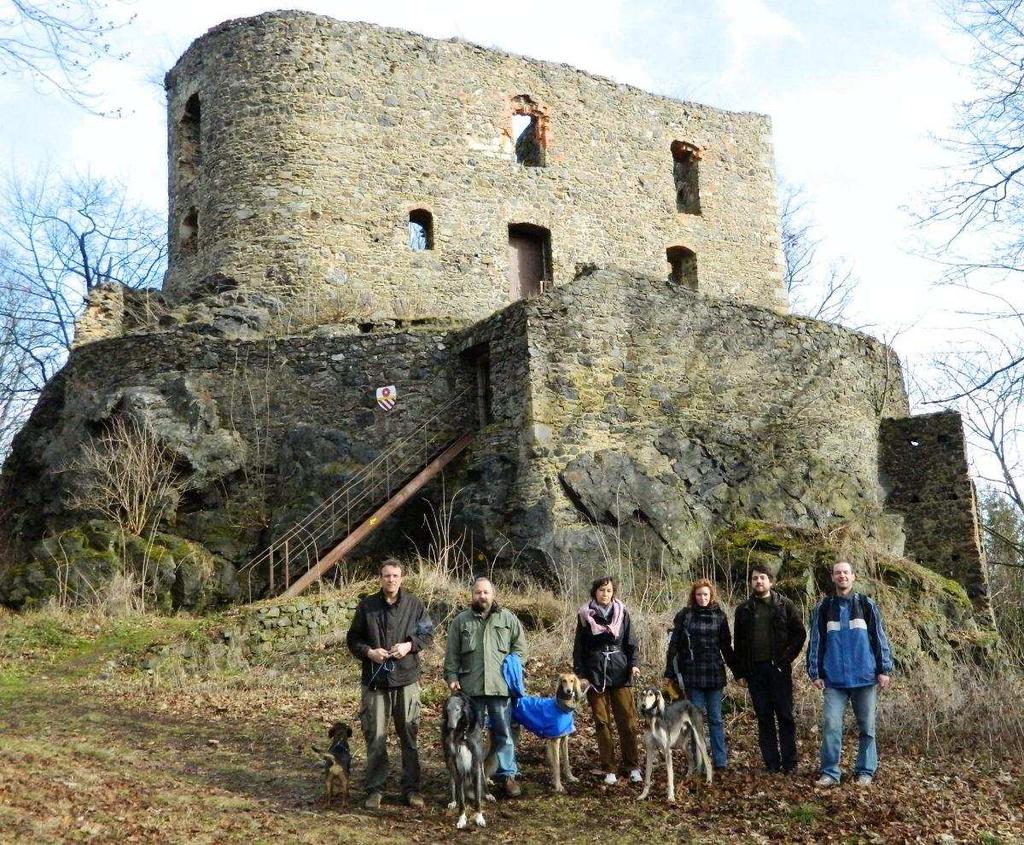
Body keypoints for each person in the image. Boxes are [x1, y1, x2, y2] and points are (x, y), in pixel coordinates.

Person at [346, 558, 434, 810]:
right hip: (375, 682)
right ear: (380, 578)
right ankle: (375, 789)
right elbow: (353, 638)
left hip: (406, 679)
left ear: (402, 578)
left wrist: (409, 645)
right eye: (386, 576)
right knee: (375, 737)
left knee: (409, 735)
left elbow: (427, 634)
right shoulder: (367, 606)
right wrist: (369, 652)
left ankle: (411, 789)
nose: (391, 580)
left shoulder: (414, 605)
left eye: (395, 575)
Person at [807, 560, 893, 788]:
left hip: (865, 677)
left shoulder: (866, 604)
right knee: (831, 725)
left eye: (846, 572)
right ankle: (830, 773)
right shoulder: (823, 608)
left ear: (853, 577)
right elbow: (816, 641)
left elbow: (879, 637)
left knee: (867, 727)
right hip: (834, 680)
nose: (842, 576)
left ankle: (865, 771)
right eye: (838, 573)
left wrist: (884, 668)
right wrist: (814, 672)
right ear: (833, 578)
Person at [444, 576, 528, 797]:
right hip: (471, 690)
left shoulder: (508, 619)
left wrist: (513, 669)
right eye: (477, 592)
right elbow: (451, 655)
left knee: (504, 733)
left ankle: (507, 776)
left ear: (493, 595)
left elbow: (520, 649)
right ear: (472, 595)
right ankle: (473, 779)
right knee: (471, 736)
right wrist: (452, 677)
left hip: (500, 689)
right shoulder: (461, 621)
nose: (481, 596)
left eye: (486, 592)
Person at [732, 563, 807, 774]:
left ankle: (790, 764)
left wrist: (786, 659)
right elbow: (738, 643)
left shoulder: (785, 605)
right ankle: (771, 764)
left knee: (785, 716)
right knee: (764, 718)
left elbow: (800, 634)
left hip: (779, 671)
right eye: (755, 578)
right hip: (755, 672)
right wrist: (740, 673)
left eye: (762, 578)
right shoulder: (743, 610)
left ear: (770, 581)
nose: (758, 581)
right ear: (751, 582)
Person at [572, 575, 642, 785]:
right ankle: (609, 767)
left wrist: (634, 664)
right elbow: (579, 648)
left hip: (620, 670)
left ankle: (632, 766)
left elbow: (631, 642)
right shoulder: (585, 616)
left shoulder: (622, 613)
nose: (605, 594)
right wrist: (581, 675)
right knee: (602, 722)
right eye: (602, 590)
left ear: (613, 593)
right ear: (595, 592)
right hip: (595, 673)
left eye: (609, 590)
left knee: (627, 721)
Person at [663, 578, 737, 771]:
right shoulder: (685, 616)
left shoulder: (719, 616)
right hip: (693, 675)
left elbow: (726, 647)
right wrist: (669, 672)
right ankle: (700, 761)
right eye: (698, 594)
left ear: (711, 595)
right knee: (696, 720)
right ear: (693, 596)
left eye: (705, 594)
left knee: (716, 719)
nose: (702, 598)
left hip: (714, 673)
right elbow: (674, 646)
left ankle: (720, 761)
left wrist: (738, 671)